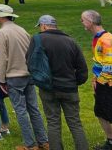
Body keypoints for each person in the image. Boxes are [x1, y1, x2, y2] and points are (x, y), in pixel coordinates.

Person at [0, 3, 48, 150]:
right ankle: (43, 141)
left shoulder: (1, 33)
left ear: (1, 17)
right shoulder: (21, 30)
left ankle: (30, 144)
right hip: (28, 74)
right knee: (34, 109)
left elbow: (1, 59)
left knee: (21, 111)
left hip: (14, 76)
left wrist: (1, 79)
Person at [31, 14, 88, 150]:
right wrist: (75, 82)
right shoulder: (71, 41)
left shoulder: (38, 39)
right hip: (69, 88)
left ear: (43, 25)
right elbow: (82, 69)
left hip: (47, 88)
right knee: (75, 123)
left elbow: (30, 63)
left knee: (53, 123)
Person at [81, 10, 112, 150]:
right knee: (100, 111)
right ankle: (111, 142)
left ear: (90, 22)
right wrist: (96, 80)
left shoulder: (105, 40)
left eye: (83, 20)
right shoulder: (99, 37)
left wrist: (100, 83)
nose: (82, 22)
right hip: (105, 81)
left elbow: (111, 67)